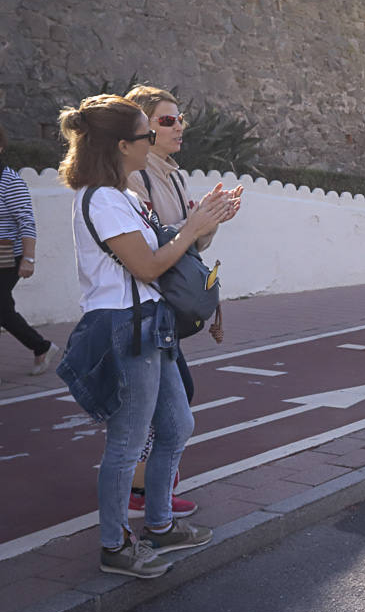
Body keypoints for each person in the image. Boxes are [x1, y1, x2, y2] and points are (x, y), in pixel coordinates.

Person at [55, 94, 239, 578]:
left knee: (177, 425)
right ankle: (115, 545)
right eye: (144, 134)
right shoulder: (100, 199)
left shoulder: (126, 198)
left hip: (150, 324)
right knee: (127, 441)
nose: (152, 140)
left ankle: (160, 524)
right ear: (121, 145)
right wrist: (192, 227)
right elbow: (149, 264)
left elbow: (165, 250)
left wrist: (204, 224)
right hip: (124, 327)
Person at [123, 85, 241, 519]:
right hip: (144, 302)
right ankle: (141, 492)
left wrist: (212, 218)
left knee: (171, 399)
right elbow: (149, 242)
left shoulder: (172, 173)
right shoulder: (134, 176)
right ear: (142, 128)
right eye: (166, 120)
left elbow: (192, 243)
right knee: (162, 405)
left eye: (179, 120)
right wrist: (194, 223)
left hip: (168, 301)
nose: (178, 128)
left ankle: (149, 491)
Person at [1, 123, 62, 382]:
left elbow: (26, 221)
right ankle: (41, 347)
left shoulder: (10, 181)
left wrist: (28, 258)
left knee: (1, 308)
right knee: (4, 308)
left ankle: (42, 347)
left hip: (6, 257)